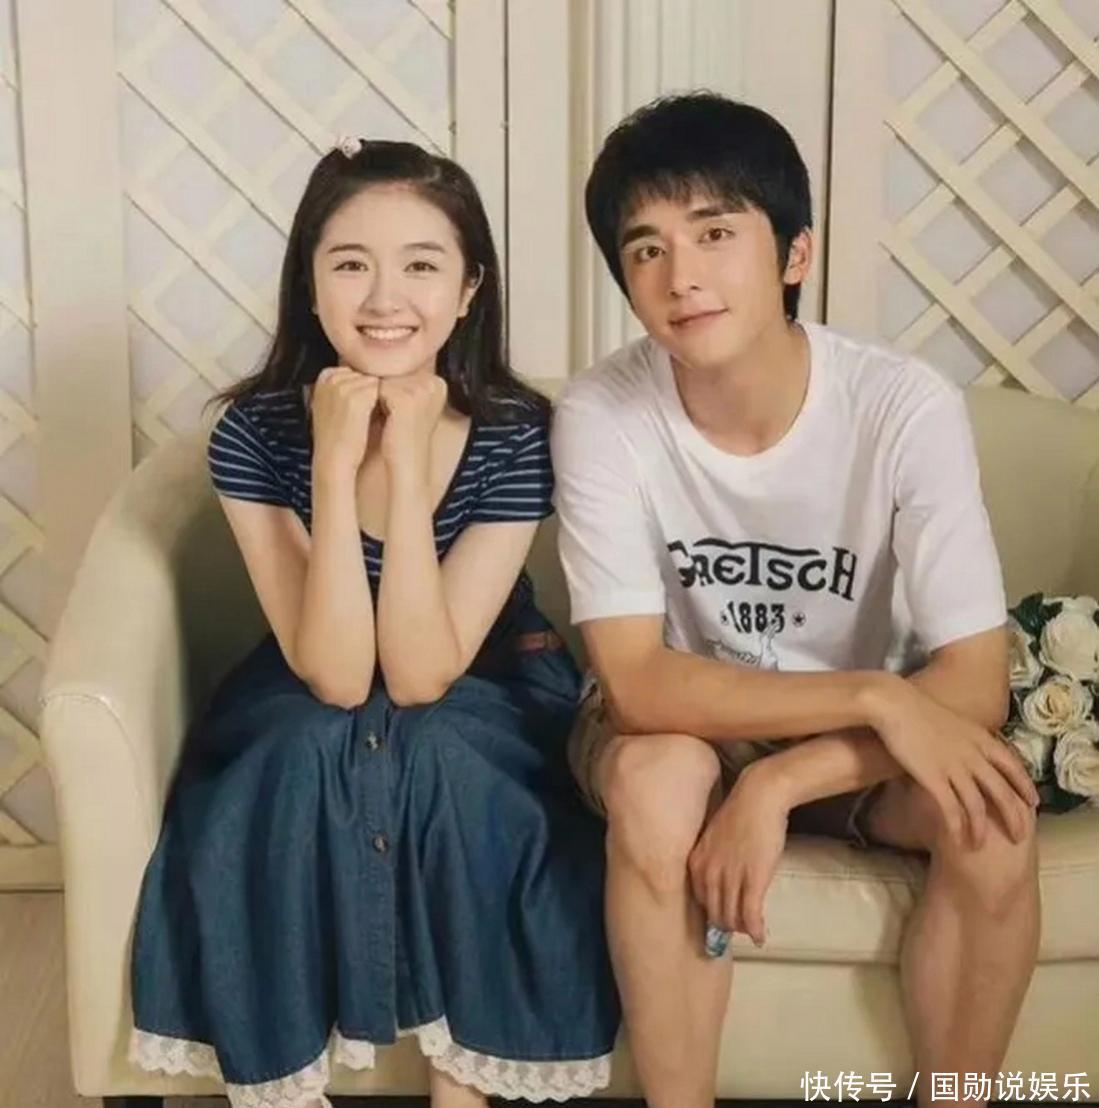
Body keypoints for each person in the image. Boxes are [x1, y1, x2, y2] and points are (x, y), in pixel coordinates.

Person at [551, 92, 1040, 1108]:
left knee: (990, 819)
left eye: (714, 233)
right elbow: (635, 682)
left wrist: (779, 783)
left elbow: (974, 683)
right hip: (689, 727)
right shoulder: (601, 412)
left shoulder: (900, 405)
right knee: (656, 782)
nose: (680, 275)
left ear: (794, 253)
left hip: (845, 741)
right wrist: (875, 696)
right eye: (645, 249)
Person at [128, 137, 618, 1108]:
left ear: (469, 290)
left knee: (440, 753)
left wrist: (401, 461)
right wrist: (334, 459)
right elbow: (342, 676)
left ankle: (462, 1085)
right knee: (303, 748)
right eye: (350, 264)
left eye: (422, 266)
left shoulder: (514, 432)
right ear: (309, 287)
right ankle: (286, 1077)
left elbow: (426, 673)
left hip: (484, 670)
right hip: (316, 661)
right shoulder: (254, 432)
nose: (385, 297)